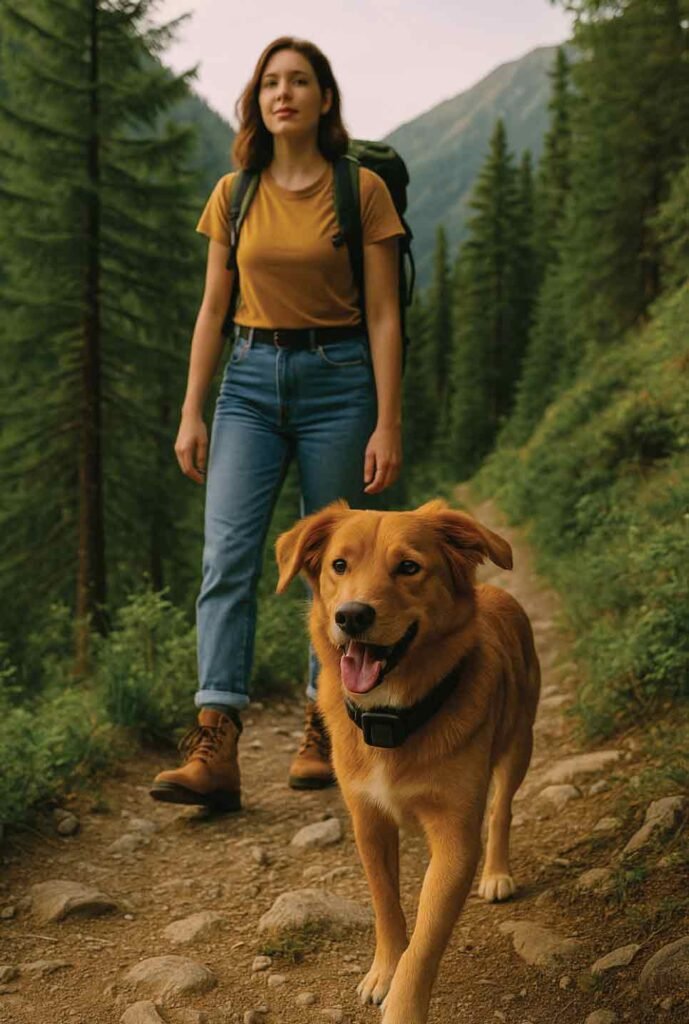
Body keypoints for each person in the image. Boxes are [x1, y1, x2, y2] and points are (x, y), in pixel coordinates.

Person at [149, 36, 405, 813]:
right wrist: (193, 410)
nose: (283, 93)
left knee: (338, 566)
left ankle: (322, 726)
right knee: (227, 558)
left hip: (339, 381)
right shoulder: (234, 193)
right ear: (256, 101)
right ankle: (215, 741)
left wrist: (386, 421)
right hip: (248, 386)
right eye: (270, 83)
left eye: (299, 81)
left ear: (324, 99)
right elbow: (212, 311)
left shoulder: (358, 190)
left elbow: (387, 316)